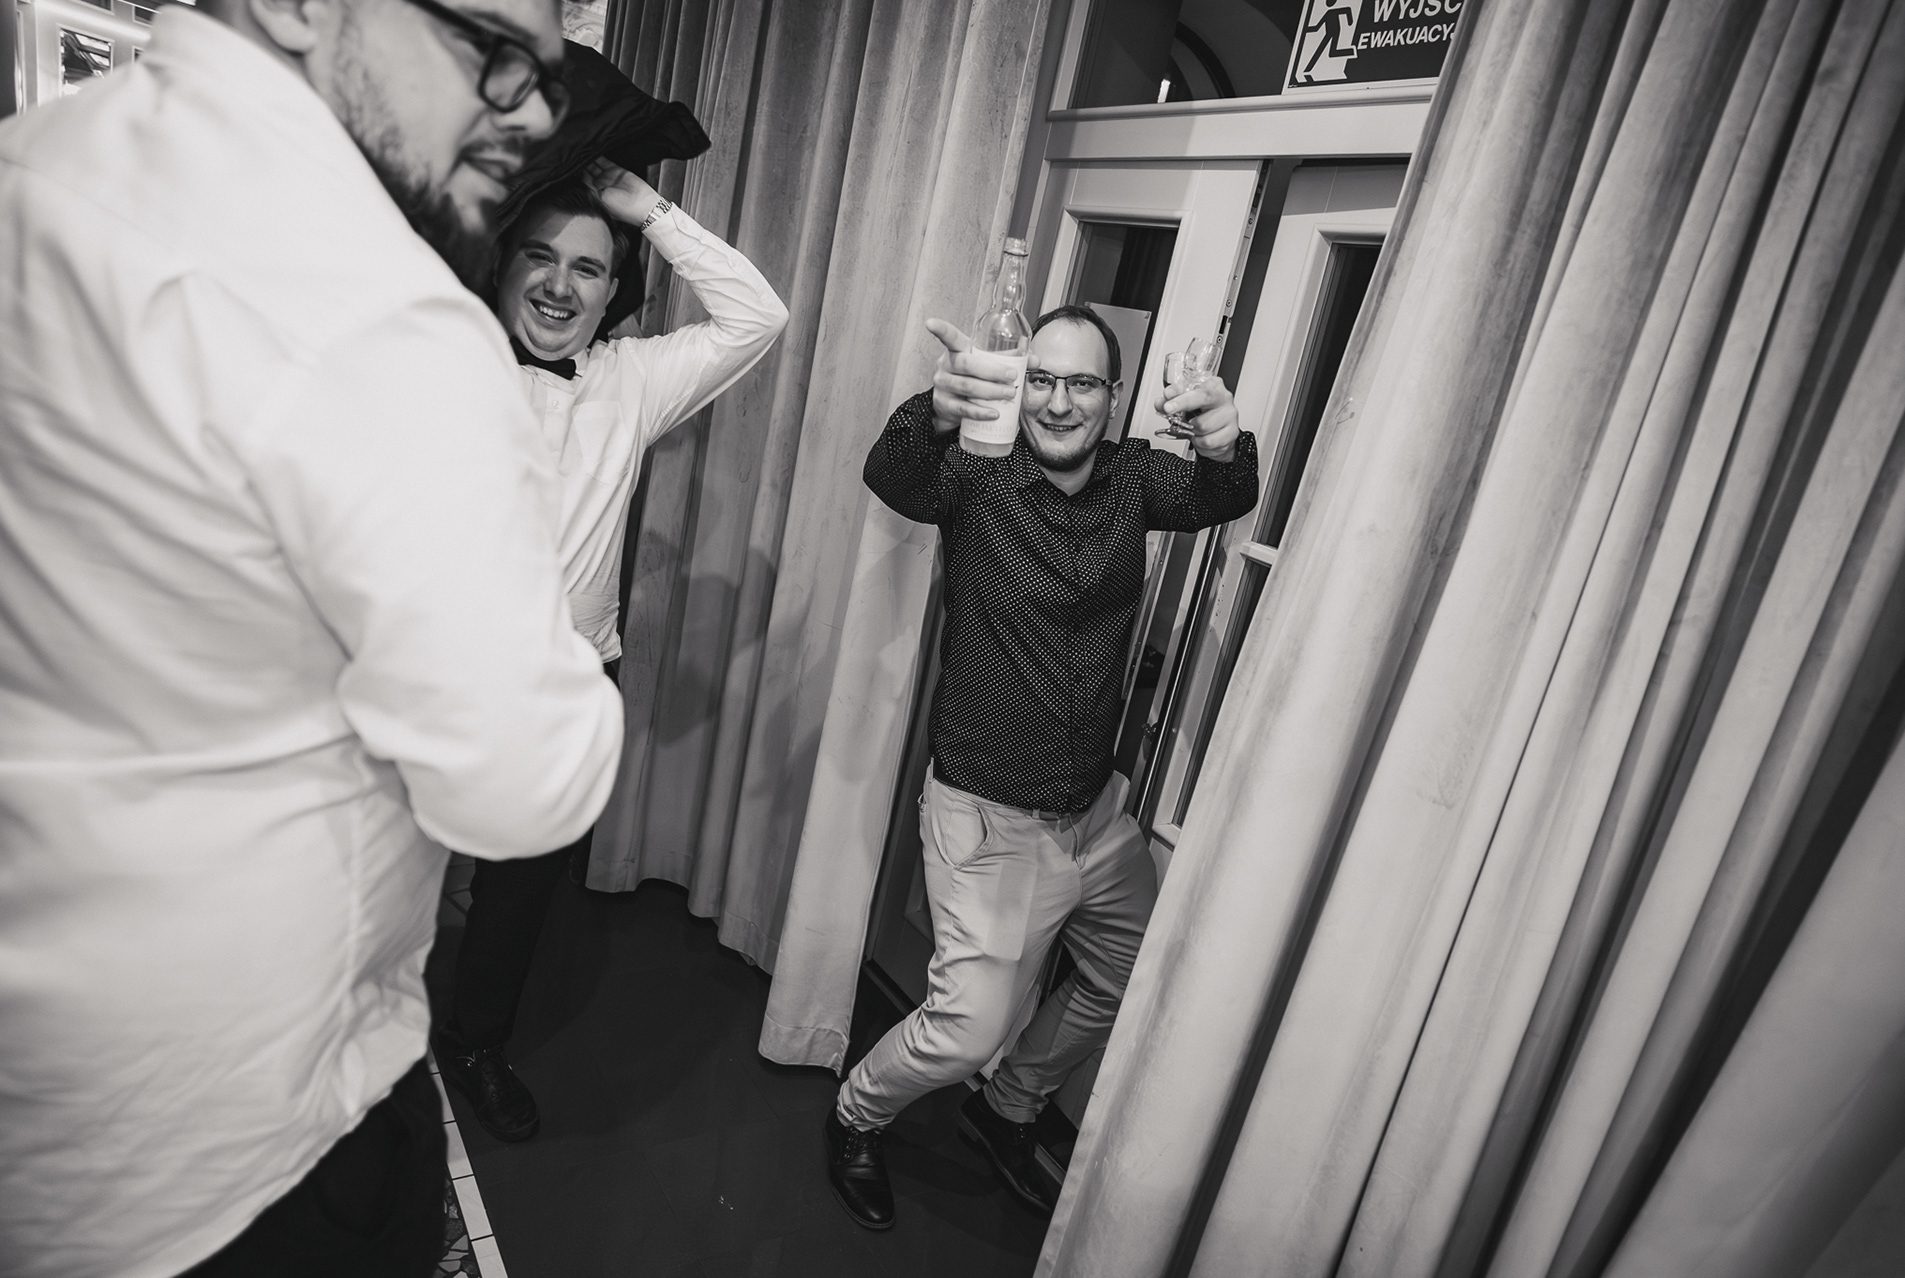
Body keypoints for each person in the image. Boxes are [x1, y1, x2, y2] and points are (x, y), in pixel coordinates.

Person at [0, 0, 625, 1274]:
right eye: (491, 50)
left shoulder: (37, 167)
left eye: (546, 77)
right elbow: (526, 782)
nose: (527, 111)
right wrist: (549, 649)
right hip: (247, 1139)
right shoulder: (383, 315)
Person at [827, 305, 1259, 1229]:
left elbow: (1223, 497)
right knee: (964, 1029)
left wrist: (1223, 441)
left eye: (1084, 384)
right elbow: (893, 475)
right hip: (988, 812)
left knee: (1134, 969)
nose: (1060, 404)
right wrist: (935, 411)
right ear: (1019, 388)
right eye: (1043, 381)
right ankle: (856, 1113)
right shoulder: (979, 473)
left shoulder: (1135, 477)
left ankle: (1008, 1107)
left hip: (1093, 813)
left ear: (1115, 397)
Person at [435, 162, 787, 1142]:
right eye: (540, 257)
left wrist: (649, 210)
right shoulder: (437, 361)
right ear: (503, 266)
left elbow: (757, 317)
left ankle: (475, 1042)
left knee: (516, 896)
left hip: (568, 683)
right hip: (430, 676)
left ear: (612, 289)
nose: (560, 285)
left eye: (588, 268)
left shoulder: (631, 380)